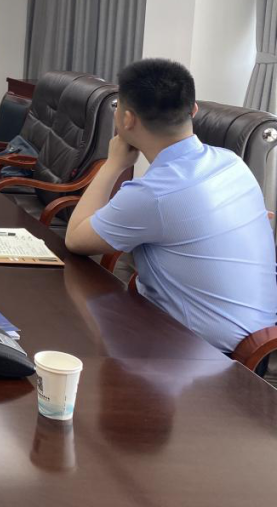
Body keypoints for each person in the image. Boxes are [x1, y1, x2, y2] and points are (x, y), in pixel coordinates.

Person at [65, 58, 277, 354]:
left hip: (204, 359)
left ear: (127, 119)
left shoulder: (155, 193)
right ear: (194, 110)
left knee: (69, 333)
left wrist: (113, 164)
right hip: (258, 345)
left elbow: (75, 238)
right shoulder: (232, 162)